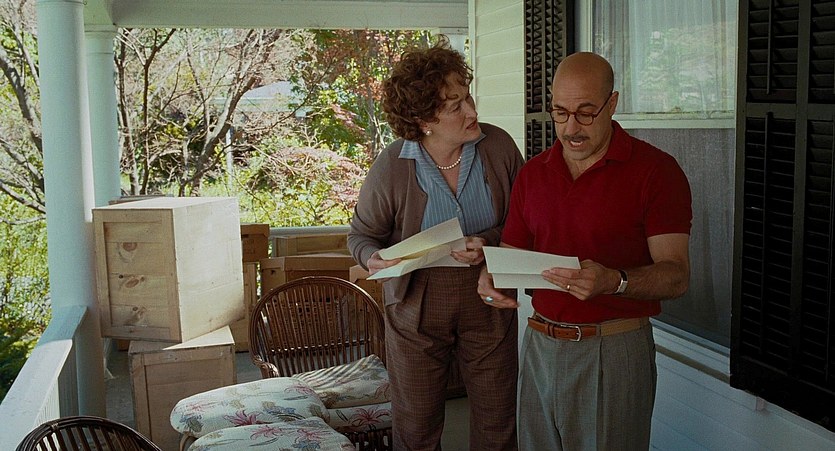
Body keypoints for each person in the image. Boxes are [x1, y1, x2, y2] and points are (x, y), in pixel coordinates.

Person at [477, 52, 692, 450]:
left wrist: (615, 281)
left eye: (586, 113)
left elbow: (677, 275)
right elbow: (512, 253)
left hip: (612, 348)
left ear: (612, 104)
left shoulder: (656, 171)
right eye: (560, 113)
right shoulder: (534, 173)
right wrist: (492, 276)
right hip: (539, 343)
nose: (571, 128)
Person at [348, 37, 524, 451]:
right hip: (417, 299)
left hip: (488, 292)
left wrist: (488, 242)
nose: (472, 111)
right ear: (423, 118)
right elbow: (360, 236)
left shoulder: (497, 146)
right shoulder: (393, 164)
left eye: (469, 97)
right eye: (455, 106)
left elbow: (524, 222)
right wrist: (373, 258)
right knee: (417, 426)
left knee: (498, 419)